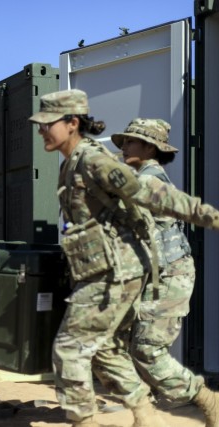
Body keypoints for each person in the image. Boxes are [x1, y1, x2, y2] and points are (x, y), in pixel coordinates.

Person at [28, 89, 219, 427]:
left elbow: (156, 196)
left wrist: (210, 216)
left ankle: (97, 419)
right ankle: (146, 414)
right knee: (105, 348)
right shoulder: (74, 164)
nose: (42, 130)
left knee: (86, 349)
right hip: (114, 271)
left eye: (48, 124)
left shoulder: (100, 163)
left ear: (72, 123)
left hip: (132, 273)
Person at [112, 118, 219, 426]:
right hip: (148, 275)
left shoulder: (148, 182)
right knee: (120, 345)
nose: (124, 147)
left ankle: (205, 398)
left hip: (168, 276)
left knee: (147, 349)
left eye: (131, 142)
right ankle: (144, 416)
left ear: (149, 148)